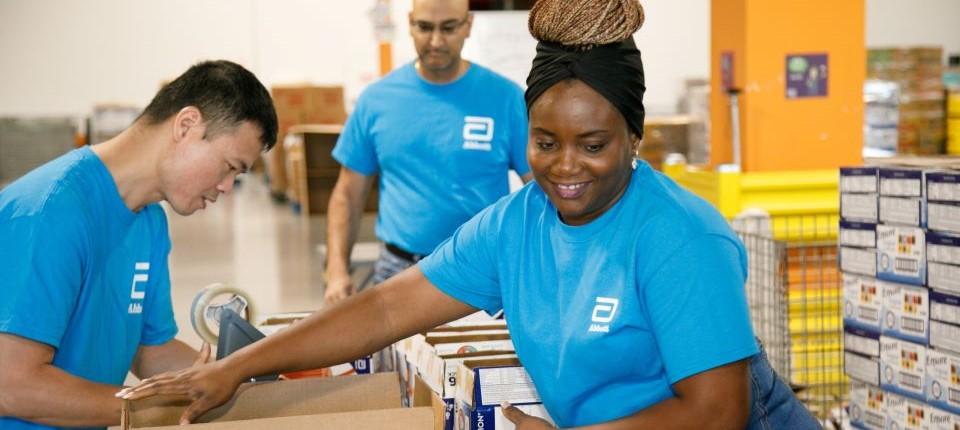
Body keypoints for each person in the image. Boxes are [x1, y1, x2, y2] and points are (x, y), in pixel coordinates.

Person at [119, 2, 819, 429]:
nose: (566, 168)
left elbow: (716, 413)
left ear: (636, 137)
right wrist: (240, 366)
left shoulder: (679, 235)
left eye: (595, 144)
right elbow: (386, 310)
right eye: (545, 142)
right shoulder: (516, 226)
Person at [0, 60, 278, 429]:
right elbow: (12, 386)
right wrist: (154, 409)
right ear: (187, 125)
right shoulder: (52, 211)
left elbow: (150, 350)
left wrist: (235, 377)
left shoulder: (149, 222)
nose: (227, 187)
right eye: (229, 166)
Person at [323, 0, 531, 306]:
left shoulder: (506, 99)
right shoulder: (377, 101)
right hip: (398, 271)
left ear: (468, 25)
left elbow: (541, 189)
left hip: (480, 270)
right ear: (409, 23)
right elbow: (347, 196)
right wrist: (337, 270)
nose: (435, 41)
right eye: (424, 27)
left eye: (448, 28)